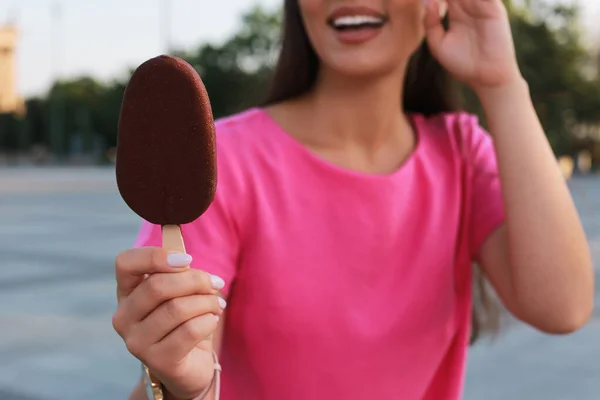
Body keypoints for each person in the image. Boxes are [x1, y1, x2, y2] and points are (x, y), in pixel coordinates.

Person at [112, 0, 595, 399]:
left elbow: (562, 307)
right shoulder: (225, 163)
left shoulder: (462, 153)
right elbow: (175, 373)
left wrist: (502, 83)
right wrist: (183, 388)